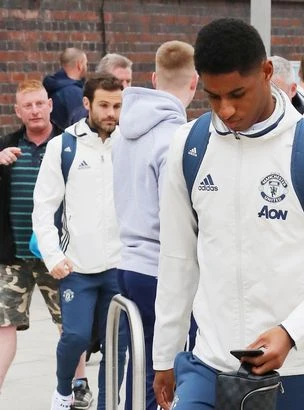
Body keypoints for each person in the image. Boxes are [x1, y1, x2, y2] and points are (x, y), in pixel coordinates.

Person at [151, 18, 304, 410]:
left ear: (266, 72)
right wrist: (165, 355)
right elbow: (177, 258)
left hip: (300, 368)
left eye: (237, 94)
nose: (225, 109)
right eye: (213, 97)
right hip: (210, 365)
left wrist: (292, 331)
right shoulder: (188, 146)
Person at [32, 73, 127, 410]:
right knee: (75, 336)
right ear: (87, 103)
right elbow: (44, 207)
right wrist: (53, 256)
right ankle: (63, 392)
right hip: (77, 266)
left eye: (117, 106)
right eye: (104, 105)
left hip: (119, 266)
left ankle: (108, 404)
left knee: (117, 347)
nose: (111, 113)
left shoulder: (128, 144)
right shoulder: (63, 146)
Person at [113, 40, 198, 410]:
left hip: (128, 262)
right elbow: (174, 214)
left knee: (143, 371)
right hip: (162, 267)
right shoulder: (176, 136)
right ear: (195, 82)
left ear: (153, 78)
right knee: (168, 375)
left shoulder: (122, 133)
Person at [0, 80, 93, 409]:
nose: (35, 110)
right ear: (18, 111)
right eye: (28, 105)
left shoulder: (69, 145)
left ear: (50, 105)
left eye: (40, 103)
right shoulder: (6, 146)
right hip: (13, 256)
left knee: (69, 326)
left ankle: (77, 384)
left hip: (58, 253)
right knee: (4, 324)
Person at [43, 48, 88, 129]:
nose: (86, 67)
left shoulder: (52, 86)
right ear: (79, 65)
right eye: (85, 64)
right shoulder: (74, 92)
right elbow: (80, 125)